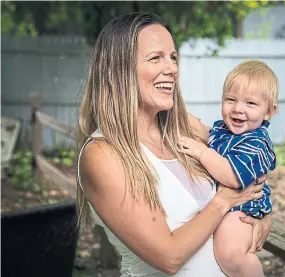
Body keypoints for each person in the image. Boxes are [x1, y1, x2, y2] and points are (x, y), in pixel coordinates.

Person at [75, 12, 272, 277]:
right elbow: (169, 257)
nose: (172, 69)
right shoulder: (102, 153)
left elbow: (247, 169)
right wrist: (223, 201)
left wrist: (261, 214)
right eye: (156, 58)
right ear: (117, 69)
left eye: (173, 57)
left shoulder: (184, 128)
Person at [178, 60, 278, 277]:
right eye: (230, 100)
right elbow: (207, 132)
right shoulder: (223, 130)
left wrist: (201, 152)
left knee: (230, 254)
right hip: (223, 205)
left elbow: (232, 177)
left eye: (250, 104)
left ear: (269, 111)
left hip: (241, 210)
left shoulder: (257, 143)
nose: (238, 109)